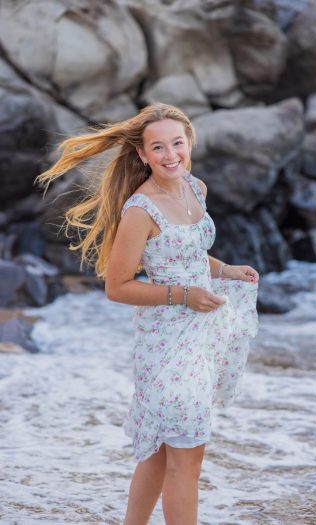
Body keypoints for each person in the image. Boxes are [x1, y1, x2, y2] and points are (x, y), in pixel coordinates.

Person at [36, 102, 259, 525]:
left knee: (159, 453)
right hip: (165, 346)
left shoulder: (197, 188)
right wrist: (184, 296)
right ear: (142, 155)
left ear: (190, 142)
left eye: (177, 143)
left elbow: (191, 254)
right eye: (158, 147)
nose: (170, 154)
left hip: (200, 340)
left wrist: (226, 270)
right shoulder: (140, 211)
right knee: (187, 457)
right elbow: (117, 287)